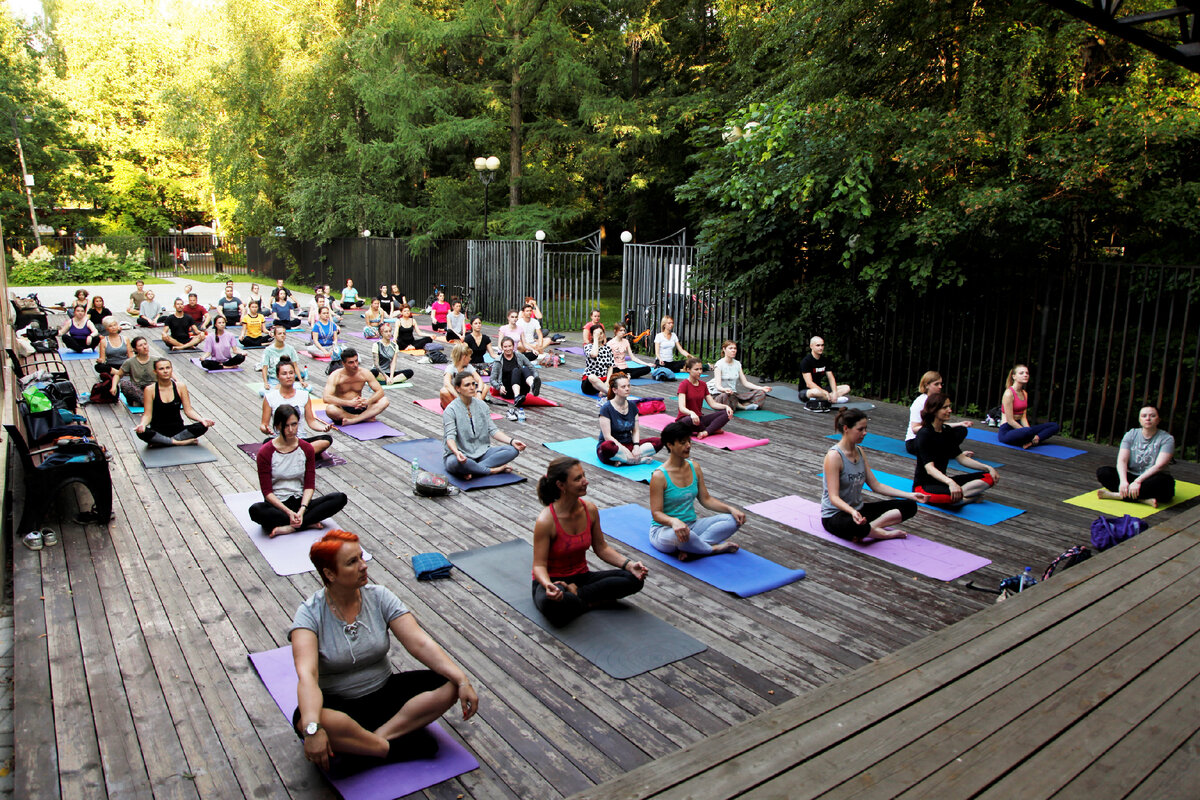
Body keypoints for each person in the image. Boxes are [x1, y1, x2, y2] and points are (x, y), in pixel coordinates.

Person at [290, 529, 478, 772]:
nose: (363, 566)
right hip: (341, 705)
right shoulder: (309, 613)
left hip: (385, 696)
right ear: (329, 574)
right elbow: (307, 676)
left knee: (450, 684)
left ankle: (371, 744)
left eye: (361, 557)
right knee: (307, 720)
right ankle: (389, 748)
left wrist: (462, 680)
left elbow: (419, 643)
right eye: (352, 562)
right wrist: (312, 729)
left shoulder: (379, 596)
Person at [532, 458, 649, 625]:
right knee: (553, 603)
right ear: (561, 485)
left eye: (584, 476)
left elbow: (601, 548)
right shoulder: (546, 520)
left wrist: (629, 565)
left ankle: (578, 596)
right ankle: (590, 601)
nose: (585, 481)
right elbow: (538, 566)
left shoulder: (590, 510)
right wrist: (548, 585)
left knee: (634, 579)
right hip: (554, 582)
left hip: (582, 578)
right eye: (578, 478)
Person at [822, 408, 926, 541]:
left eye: (865, 429)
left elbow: (876, 485)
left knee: (910, 506)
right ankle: (883, 534)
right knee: (853, 525)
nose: (864, 433)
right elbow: (833, 497)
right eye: (860, 429)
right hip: (836, 515)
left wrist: (910, 495)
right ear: (846, 428)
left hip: (859, 511)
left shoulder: (859, 451)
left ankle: (870, 529)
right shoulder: (834, 456)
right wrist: (852, 512)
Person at [649, 422, 744, 559]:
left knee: (733, 520)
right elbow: (656, 513)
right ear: (670, 445)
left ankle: (694, 549)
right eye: (682, 442)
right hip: (665, 531)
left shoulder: (695, 467)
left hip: (692, 526)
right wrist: (674, 522)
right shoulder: (659, 476)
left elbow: (706, 499)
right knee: (681, 535)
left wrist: (731, 509)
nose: (688, 445)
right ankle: (711, 549)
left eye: (689, 441)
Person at [250, 405, 347, 537]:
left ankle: (290, 527)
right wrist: (289, 513)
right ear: (277, 426)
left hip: (300, 503)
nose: (291, 429)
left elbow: (309, 484)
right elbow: (267, 492)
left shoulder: (306, 449)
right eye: (286, 426)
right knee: (256, 510)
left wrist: (302, 510)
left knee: (339, 498)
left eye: (294, 424)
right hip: (278, 506)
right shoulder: (266, 452)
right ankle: (306, 523)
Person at [913, 392, 999, 505]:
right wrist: (950, 482)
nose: (949, 410)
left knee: (989, 477)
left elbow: (961, 458)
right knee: (950, 498)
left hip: (943, 482)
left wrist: (987, 467)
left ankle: (960, 496)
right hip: (924, 486)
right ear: (934, 410)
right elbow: (930, 469)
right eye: (945, 407)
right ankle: (967, 498)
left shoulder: (947, 431)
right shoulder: (924, 434)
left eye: (949, 406)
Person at [443, 371, 526, 479]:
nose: (472, 387)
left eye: (474, 384)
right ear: (458, 388)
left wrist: (511, 441)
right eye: (467, 385)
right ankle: (492, 470)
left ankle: (474, 470)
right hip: (461, 456)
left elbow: (493, 430)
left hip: (482, 453)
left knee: (512, 450)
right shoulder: (451, 410)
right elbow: (450, 437)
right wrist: (457, 452)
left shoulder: (482, 405)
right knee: (456, 463)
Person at [1096, 405, 1176, 507]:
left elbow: (1159, 466)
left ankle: (1118, 495)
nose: (1148, 418)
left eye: (1152, 416)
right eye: (1144, 416)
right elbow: (1122, 460)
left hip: (1153, 478)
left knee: (1164, 484)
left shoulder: (1167, 439)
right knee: (1103, 472)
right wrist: (1123, 481)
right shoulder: (1131, 434)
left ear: (1158, 420)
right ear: (1139, 419)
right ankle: (1142, 499)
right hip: (1132, 476)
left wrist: (1138, 481)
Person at [134, 358, 214, 447]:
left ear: (171, 369)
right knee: (141, 432)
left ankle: (162, 442)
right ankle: (178, 442)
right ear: (155, 371)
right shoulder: (150, 390)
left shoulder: (180, 387)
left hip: (178, 430)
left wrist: (202, 419)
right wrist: (142, 424)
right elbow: (147, 415)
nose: (165, 371)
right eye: (161, 369)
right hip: (158, 430)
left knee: (202, 426)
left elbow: (188, 410)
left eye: (168, 368)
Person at [261, 360, 334, 456]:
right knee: (266, 443)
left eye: (291, 373)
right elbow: (263, 424)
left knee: (326, 439)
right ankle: (299, 455)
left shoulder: (303, 395)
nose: (288, 376)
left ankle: (291, 455)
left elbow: (311, 422)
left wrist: (323, 428)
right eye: (284, 374)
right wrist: (265, 429)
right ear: (278, 377)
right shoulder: (270, 397)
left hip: (299, 440)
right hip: (279, 440)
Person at [597, 374, 661, 465]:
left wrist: (636, 446)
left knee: (658, 442)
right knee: (606, 447)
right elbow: (607, 437)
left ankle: (624, 460)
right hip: (614, 446)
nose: (627, 389)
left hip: (628, 444)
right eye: (623, 387)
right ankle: (636, 461)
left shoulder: (632, 406)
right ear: (615, 390)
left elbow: (635, 430)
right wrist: (624, 450)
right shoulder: (606, 408)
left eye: (628, 386)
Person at [905, 371, 971, 455]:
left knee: (961, 430)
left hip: (932, 435)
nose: (940, 387)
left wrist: (959, 424)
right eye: (936, 384)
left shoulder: (937, 401)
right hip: (916, 441)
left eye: (940, 384)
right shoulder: (919, 402)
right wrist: (933, 430)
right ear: (926, 385)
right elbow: (915, 429)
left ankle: (948, 451)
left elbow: (939, 425)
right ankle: (951, 452)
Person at [998, 364, 1060, 449]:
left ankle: (1032, 441)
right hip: (1007, 430)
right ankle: (1031, 439)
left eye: (1027, 373)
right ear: (1014, 376)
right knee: (1028, 431)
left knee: (1054, 426)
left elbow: (1023, 417)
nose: (1025, 375)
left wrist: (1030, 432)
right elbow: (1010, 421)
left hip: (1021, 428)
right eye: (1021, 373)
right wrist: (1029, 433)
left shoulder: (1025, 394)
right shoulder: (1008, 394)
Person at [323, 348, 390, 425]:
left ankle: (354, 420)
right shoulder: (336, 375)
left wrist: (368, 401)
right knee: (330, 409)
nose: (355, 365)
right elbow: (326, 398)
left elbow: (380, 391)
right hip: (343, 407)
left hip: (360, 406)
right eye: (351, 362)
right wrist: (349, 403)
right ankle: (363, 418)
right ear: (343, 363)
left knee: (385, 401)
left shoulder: (364, 372)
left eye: (356, 361)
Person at [676, 357, 732, 439]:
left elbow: (712, 404)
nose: (700, 372)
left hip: (699, 419)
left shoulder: (703, 385)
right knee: (688, 421)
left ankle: (706, 432)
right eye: (696, 369)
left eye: (701, 369)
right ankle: (711, 429)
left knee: (726, 413)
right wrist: (691, 413)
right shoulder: (684, 384)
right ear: (688, 370)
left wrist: (726, 407)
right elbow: (682, 408)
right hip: (686, 419)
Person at [708, 340, 770, 411]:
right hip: (720, 395)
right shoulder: (719, 365)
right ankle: (742, 406)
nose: (733, 350)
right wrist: (724, 389)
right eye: (730, 348)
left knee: (761, 393)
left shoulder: (737, 364)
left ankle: (737, 404)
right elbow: (718, 386)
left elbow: (745, 383)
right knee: (726, 396)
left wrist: (761, 388)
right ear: (724, 349)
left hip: (734, 395)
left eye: (735, 348)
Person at [490, 337, 541, 420]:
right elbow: (492, 379)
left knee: (525, 369)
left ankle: (533, 385)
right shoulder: (498, 361)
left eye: (510, 346)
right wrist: (499, 387)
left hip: (522, 389)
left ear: (513, 347)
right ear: (502, 348)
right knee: (516, 370)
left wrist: (536, 377)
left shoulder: (519, 356)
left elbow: (531, 367)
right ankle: (516, 397)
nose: (508, 349)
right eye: (505, 347)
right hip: (508, 391)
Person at [798, 336, 850, 412]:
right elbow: (809, 384)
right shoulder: (806, 361)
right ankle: (831, 399)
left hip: (820, 389)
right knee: (815, 392)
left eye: (822, 345)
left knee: (846, 388)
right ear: (811, 346)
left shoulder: (824, 360)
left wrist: (835, 392)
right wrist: (825, 392)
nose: (821, 348)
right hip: (807, 391)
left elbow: (831, 377)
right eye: (818, 345)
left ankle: (831, 397)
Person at [110, 336, 155, 405]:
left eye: (145, 344)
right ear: (135, 349)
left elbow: (168, 373)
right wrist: (114, 387)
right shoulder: (130, 362)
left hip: (153, 389)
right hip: (138, 389)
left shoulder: (156, 360)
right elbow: (118, 375)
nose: (144, 347)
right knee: (125, 384)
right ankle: (148, 402)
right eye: (141, 345)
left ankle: (145, 402)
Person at [261, 323, 305, 390]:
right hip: (274, 379)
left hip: (288, 379)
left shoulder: (290, 349)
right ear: (275, 336)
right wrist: (265, 383)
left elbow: (295, 366)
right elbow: (265, 367)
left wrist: (301, 381)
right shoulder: (268, 350)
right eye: (279, 334)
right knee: (263, 391)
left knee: (308, 388)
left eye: (284, 334)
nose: (282, 335)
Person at [438, 343, 482, 409]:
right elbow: (447, 384)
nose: (470, 359)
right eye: (469, 357)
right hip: (455, 396)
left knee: (485, 387)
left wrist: (479, 392)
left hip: (465, 394)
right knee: (444, 391)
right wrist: (458, 397)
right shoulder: (451, 368)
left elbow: (479, 380)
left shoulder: (469, 367)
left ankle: (470, 408)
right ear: (464, 357)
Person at [581, 326, 617, 395]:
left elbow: (610, 367)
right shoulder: (588, 347)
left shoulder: (608, 348)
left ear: (603, 334)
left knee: (620, 376)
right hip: (590, 383)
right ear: (592, 335)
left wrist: (607, 382)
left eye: (600, 333)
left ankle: (604, 390)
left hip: (604, 380)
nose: (599, 335)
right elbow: (594, 354)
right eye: (596, 334)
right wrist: (596, 339)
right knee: (592, 377)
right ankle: (610, 393)